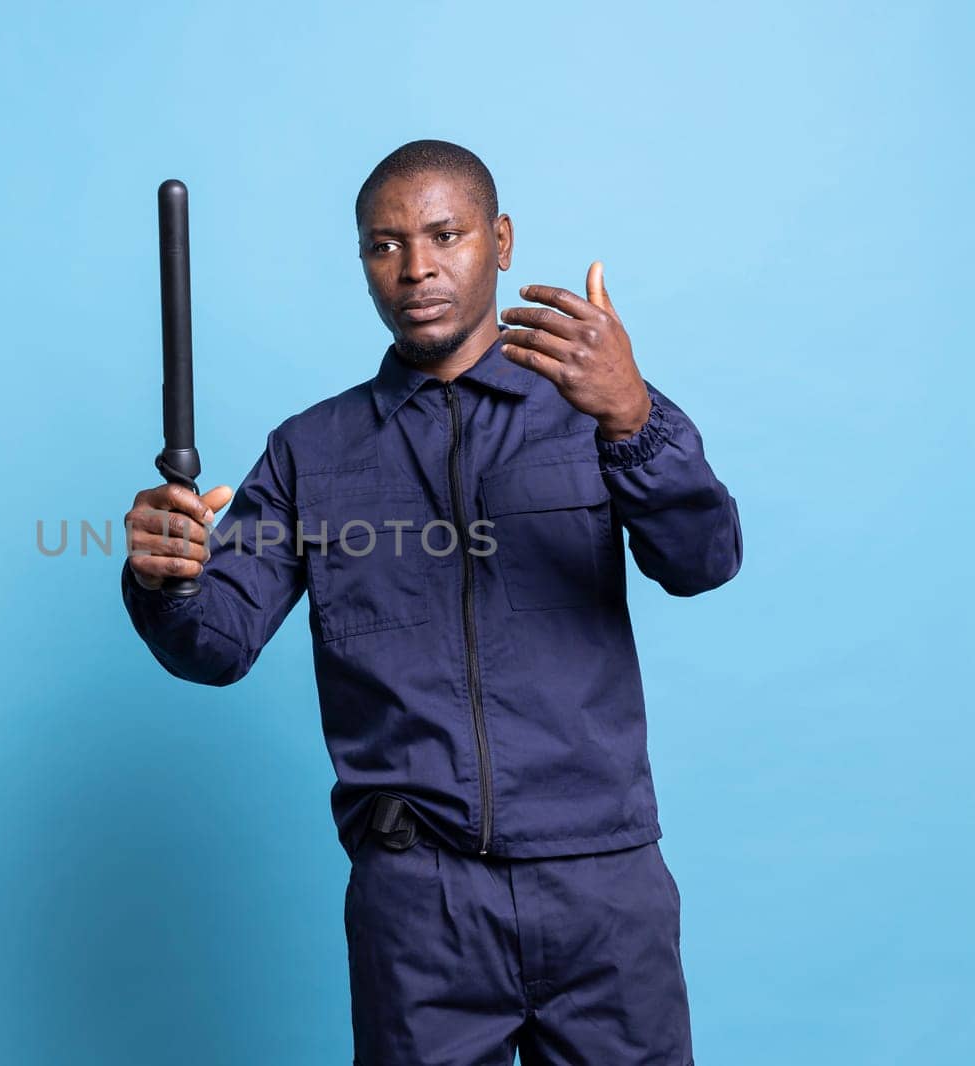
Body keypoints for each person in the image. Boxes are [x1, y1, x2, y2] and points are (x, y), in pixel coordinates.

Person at [120, 139, 741, 1065]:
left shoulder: (591, 405)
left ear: (500, 240)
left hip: (603, 883)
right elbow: (215, 644)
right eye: (385, 244)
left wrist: (633, 417)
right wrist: (161, 577)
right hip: (420, 905)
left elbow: (703, 560)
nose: (416, 268)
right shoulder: (310, 452)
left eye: (444, 235)